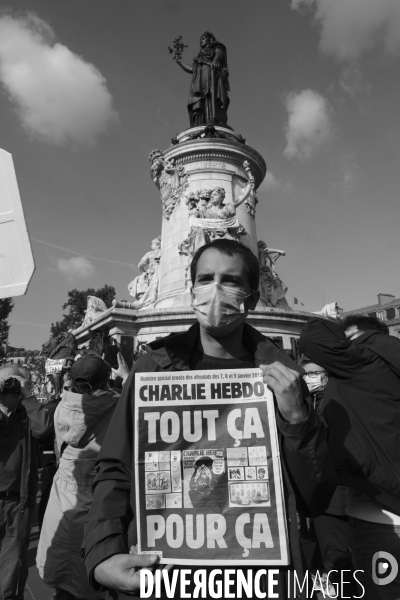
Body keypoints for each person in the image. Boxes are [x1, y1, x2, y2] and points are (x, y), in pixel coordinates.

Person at [83, 239, 337, 599]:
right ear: (191, 290)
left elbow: (316, 496)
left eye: (230, 281)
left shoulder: (284, 377)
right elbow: (116, 468)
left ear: (251, 298)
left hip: (258, 577)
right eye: (205, 278)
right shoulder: (153, 368)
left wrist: (297, 419)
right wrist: (103, 553)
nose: (215, 290)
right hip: (170, 575)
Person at [300, 314, 400, 599]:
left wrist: (340, 331)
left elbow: (312, 334)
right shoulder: (387, 368)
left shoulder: (366, 364)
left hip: (380, 519)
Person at [37, 352, 120, 600]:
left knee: (62, 564)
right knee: (88, 568)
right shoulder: (117, 406)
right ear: (105, 381)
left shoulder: (62, 406)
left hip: (64, 491)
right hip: (99, 493)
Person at [299, 355, 356, 599]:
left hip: (336, 497)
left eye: (314, 373)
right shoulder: (309, 401)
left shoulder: (332, 402)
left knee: (337, 557)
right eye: (306, 374)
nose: (309, 378)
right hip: (318, 497)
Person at [0, 364, 56, 600]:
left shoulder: (30, 413)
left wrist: (28, 397)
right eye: (5, 383)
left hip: (17, 502)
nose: (9, 389)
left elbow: (44, 429)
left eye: (15, 384)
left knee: (11, 572)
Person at [176, 31, 230, 127]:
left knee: (211, 97)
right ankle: (201, 122)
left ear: (208, 39)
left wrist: (215, 60)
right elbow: (192, 69)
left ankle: (214, 119)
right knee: (201, 101)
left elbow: (219, 53)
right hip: (199, 83)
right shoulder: (199, 58)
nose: (200, 41)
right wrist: (179, 62)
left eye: (202, 39)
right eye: (200, 40)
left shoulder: (215, 47)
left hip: (211, 77)